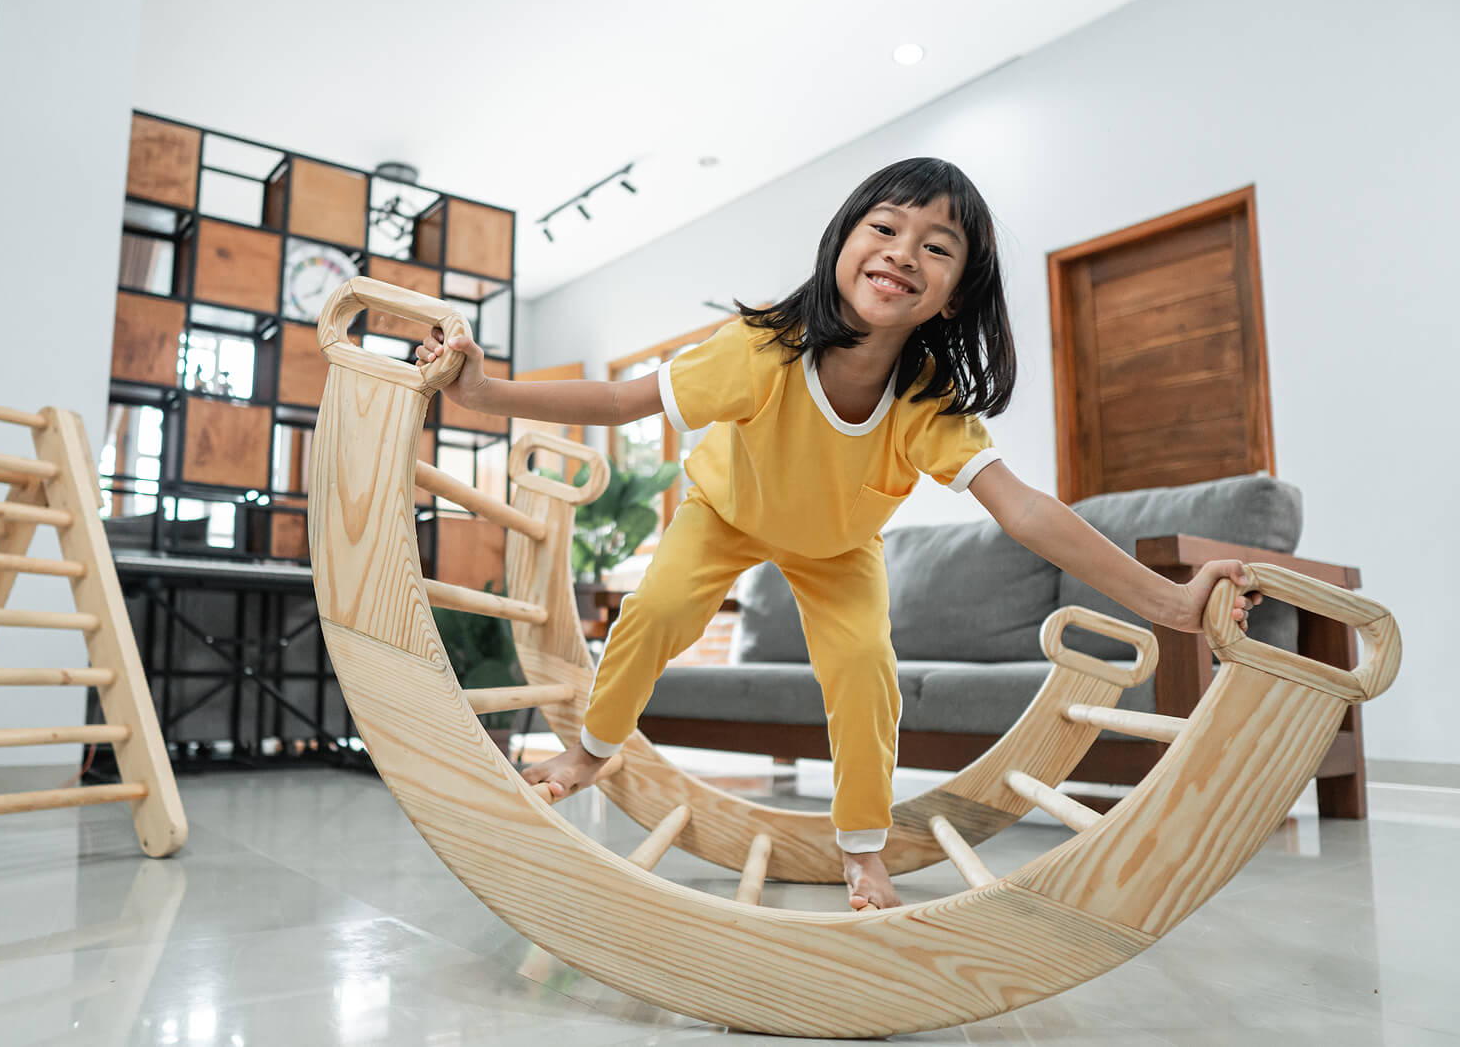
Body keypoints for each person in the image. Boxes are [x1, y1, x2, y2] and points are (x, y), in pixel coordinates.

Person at [415, 157, 1262, 910]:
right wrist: (485, 394)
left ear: (956, 291)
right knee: (661, 607)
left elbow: (1026, 510)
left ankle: (863, 848)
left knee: (865, 669)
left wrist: (1174, 602)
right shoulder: (762, 348)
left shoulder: (926, 400)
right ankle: (593, 751)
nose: (903, 252)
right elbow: (620, 401)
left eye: (937, 247)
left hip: (838, 550)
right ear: (843, 243)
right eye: (886, 227)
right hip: (724, 512)